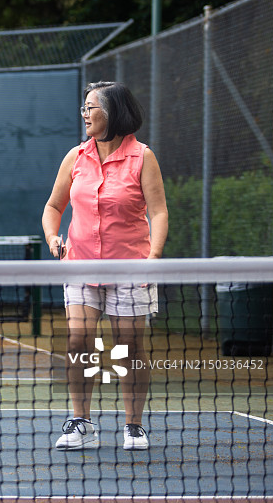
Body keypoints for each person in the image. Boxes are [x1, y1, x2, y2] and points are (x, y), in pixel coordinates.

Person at [42, 81, 168, 451]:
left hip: (131, 268)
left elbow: (158, 211)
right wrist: (53, 238)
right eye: (83, 107)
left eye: (91, 107)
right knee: (79, 341)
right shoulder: (75, 157)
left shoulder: (143, 157)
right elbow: (53, 207)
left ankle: (134, 426)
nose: (84, 113)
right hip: (80, 264)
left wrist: (153, 258)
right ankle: (81, 423)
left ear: (113, 113)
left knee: (128, 347)